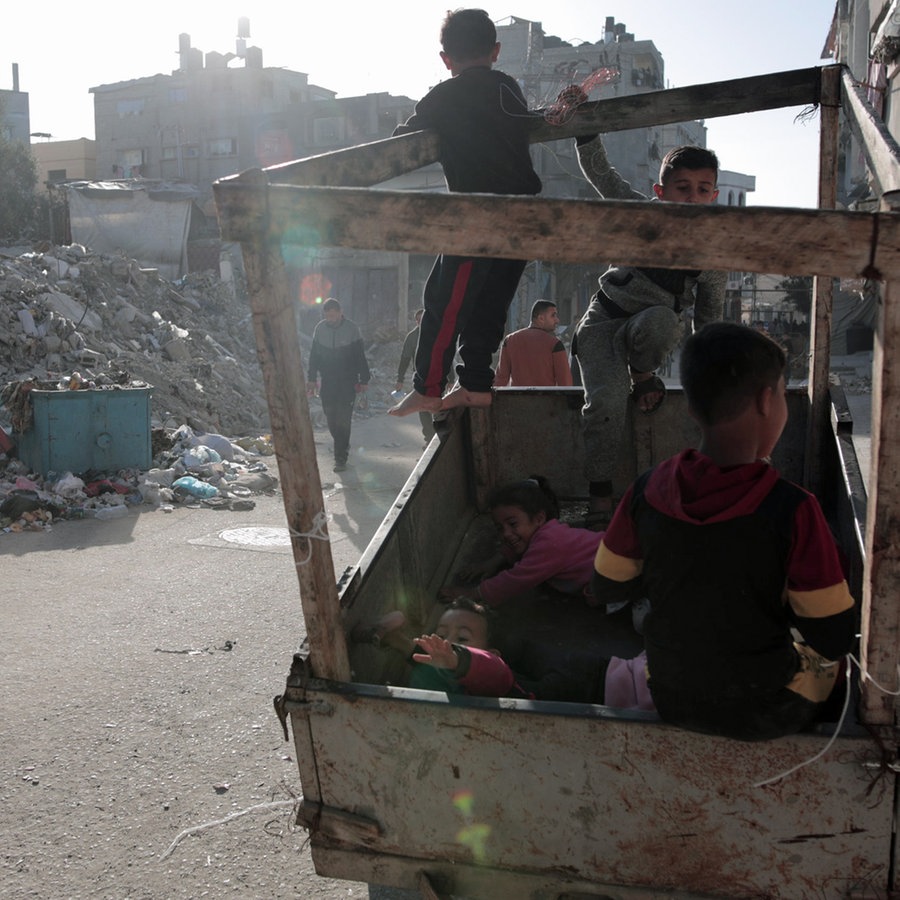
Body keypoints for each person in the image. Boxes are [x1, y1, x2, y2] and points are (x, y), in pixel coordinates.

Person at [591, 323, 857, 741]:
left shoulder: (647, 488)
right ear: (768, 401)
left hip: (670, 695)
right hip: (766, 708)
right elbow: (834, 634)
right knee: (834, 665)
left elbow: (606, 585)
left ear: (693, 409)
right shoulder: (795, 509)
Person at [388, 8, 542, 419]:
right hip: (524, 218)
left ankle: (429, 388)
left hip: (475, 217)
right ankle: (475, 383)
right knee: (490, 303)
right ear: (495, 51)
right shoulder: (508, 88)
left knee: (446, 301)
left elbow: (402, 143)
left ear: (446, 59)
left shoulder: (441, 97)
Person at [572, 136, 727, 528]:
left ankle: (641, 374)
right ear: (660, 192)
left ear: (713, 196)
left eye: (702, 190)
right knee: (605, 407)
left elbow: (707, 320)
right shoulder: (641, 214)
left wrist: (709, 379)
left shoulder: (710, 255)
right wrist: (586, 133)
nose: (691, 198)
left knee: (661, 319)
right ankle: (600, 499)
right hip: (603, 324)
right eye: (682, 188)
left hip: (651, 328)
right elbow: (603, 177)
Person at [441, 475, 602, 608]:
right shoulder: (543, 533)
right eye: (499, 528)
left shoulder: (550, 543)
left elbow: (516, 580)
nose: (506, 534)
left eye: (512, 524)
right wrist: (492, 562)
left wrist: (473, 593)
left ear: (539, 518)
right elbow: (517, 547)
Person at [352, 598, 536, 698]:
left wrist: (455, 659)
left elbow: (493, 669)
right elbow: (422, 655)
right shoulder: (433, 676)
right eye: (440, 635)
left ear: (492, 653)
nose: (446, 642)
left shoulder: (499, 680)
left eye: (462, 638)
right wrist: (394, 638)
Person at [307, 298, 371, 473]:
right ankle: (342, 444)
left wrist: (364, 379)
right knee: (331, 417)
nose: (331, 319)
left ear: (340, 312)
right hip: (328, 381)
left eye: (333, 315)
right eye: (328, 316)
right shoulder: (320, 329)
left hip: (347, 381)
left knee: (343, 419)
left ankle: (340, 457)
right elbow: (314, 356)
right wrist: (311, 378)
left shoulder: (352, 329)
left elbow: (360, 355)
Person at [494, 300, 573, 387]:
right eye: (553, 315)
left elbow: (500, 379)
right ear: (541, 318)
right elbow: (565, 383)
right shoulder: (554, 344)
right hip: (547, 399)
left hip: (517, 398)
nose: (557, 320)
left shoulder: (509, 340)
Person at [395, 308, 437, 448]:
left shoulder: (436, 333)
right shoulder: (412, 337)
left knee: (437, 406)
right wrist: (400, 379)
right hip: (420, 377)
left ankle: (439, 436)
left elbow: (445, 357)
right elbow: (405, 358)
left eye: (423, 319)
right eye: (418, 320)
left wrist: (450, 379)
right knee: (423, 407)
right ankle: (429, 438)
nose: (420, 323)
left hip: (438, 376)